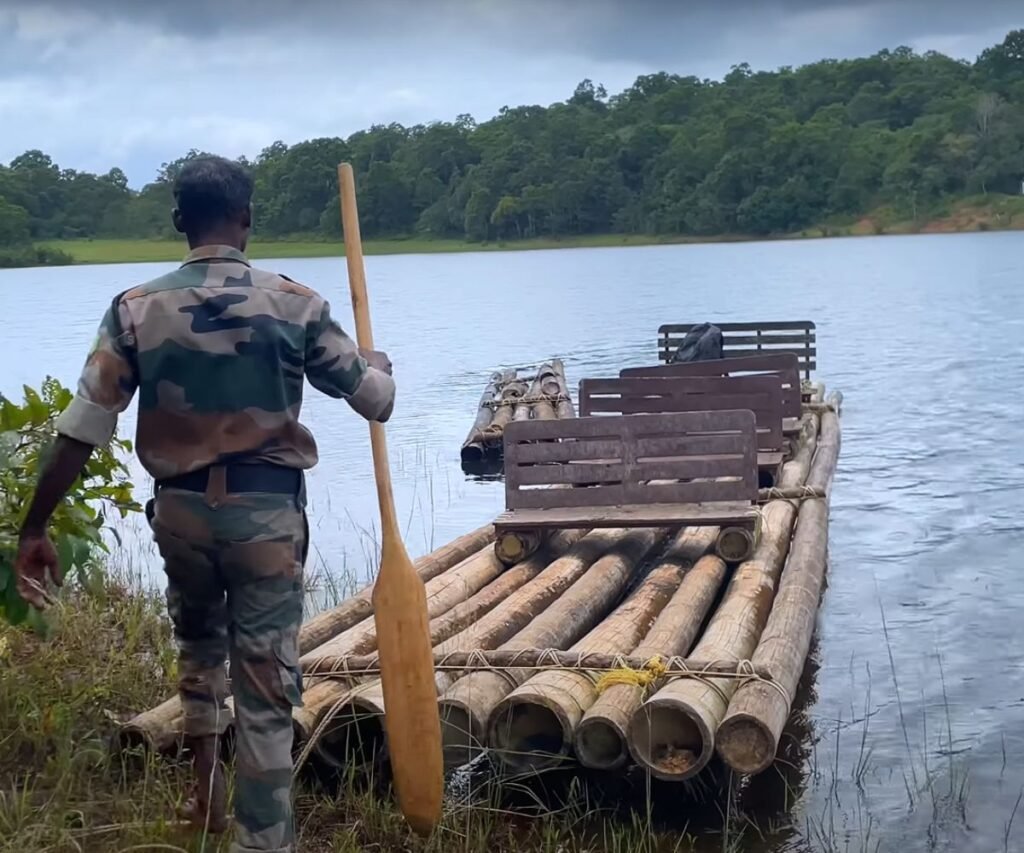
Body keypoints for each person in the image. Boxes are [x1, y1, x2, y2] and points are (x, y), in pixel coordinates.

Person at [14, 155, 396, 853]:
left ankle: (205, 794)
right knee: (264, 689)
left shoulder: (135, 308)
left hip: (182, 518)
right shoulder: (297, 304)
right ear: (246, 221)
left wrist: (34, 525)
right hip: (267, 522)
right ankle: (262, 843)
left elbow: (81, 429)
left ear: (178, 224)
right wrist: (377, 365)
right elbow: (377, 402)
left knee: (197, 646)